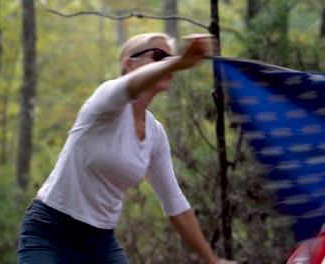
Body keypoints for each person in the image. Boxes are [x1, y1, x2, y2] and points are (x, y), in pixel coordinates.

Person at [17, 32, 236, 264]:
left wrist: (212, 260)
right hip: (50, 233)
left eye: (170, 58)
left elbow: (174, 203)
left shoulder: (155, 134)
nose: (167, 64)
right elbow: (131, 86)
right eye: (159, 55)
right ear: (129, 64)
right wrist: (180, 61)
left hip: (100, 244)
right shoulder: (104, 101)